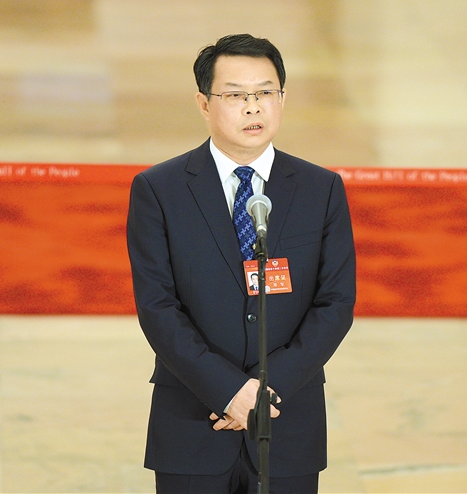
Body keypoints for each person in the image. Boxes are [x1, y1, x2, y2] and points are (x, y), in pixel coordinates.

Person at [126, 33, 356, 494]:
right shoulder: (160, 190)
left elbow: (334, 304)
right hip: (194, 420)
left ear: (282, 99)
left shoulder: (321, 189)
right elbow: (157, 307)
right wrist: (228, 391)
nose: (253, 107)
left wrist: (265, 392)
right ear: (204, 103)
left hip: (287, 420)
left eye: (265, 92)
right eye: (235, 95)